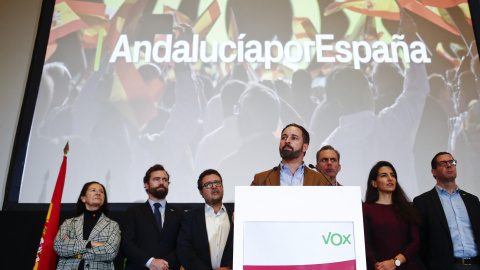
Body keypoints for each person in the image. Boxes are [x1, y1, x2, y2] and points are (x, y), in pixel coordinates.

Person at [413, 152, 480, 270]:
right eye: (443, 163)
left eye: (452, 162)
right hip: (444, 266)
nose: (449, 165)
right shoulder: (422, 202)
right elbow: (419, 242)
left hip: (475, 264)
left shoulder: (472, 200)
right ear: (434, 171)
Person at [121, 164, 183, 270]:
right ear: (146, 184)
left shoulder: (179, 214)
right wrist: (150, 262)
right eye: (156, 179)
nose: (161, 183)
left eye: (165, 180)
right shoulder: (133, 212)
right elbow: (127, 244)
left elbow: (183, 244)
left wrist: (165, 265)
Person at [363, 161, 422, 270]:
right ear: (374, 183)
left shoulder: (408, 209)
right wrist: (377, 264)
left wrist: (396, 262)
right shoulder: (365, 209)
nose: (390, 178)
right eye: (384, 175)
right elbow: (365, 242)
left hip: (406, 266)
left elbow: (415, 241)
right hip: (379, 268)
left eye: (393, 175)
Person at [54, 181, 121, 269]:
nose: (98, 193)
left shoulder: (113, 225)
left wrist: (75, 252)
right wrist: (91, 244)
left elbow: (111, 252)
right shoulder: (68, 223)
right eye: (93, 190)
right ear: (83, 198)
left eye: (101, 192)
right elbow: (59, 246)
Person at [177, 169, 234, 269]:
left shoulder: (235, 215)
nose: (214, 186)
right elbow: (184, 250)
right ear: (201, 192)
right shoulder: (190, 217)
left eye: (217, 183)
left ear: (222, 187)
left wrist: (230, 267)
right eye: (208, 184)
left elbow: (246, 247)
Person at [251, 123, 330, 186]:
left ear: (304, 147)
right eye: (284, 137)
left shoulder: (322, 181)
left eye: (294, 138)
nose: (287, 141)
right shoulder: (261, 180)